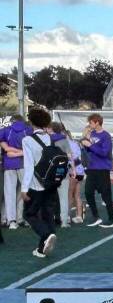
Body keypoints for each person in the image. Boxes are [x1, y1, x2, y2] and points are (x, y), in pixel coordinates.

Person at [19, 108, 60, 258]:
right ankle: (42, 249)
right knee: (47, 214)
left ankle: (47, 233)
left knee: (29, 214)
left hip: (36, 185)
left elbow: (29, 166)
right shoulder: (50, 138)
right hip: (50, 184)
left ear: (31, 122)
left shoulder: (27, 140)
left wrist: (24, 188)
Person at [80, 114, 113, 229]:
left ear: (97, 122)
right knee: (88, 192)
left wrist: (90, 144)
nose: (89, 125)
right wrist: (84, 140)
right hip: (91, 168)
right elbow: (86, 150)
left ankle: (111, 220)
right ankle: (96, 217)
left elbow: (104, 153)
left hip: (102, 169)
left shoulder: (106, 136)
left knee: (106, 195)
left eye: (90, 123)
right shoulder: (91, 134)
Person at [1, 114, 31, 228]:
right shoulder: (28, 130)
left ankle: (11, 221)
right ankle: (23, 218)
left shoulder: (5, 130)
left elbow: (6, 148)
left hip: (9, 163)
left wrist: (11, 151)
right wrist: (21, 151)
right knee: (25, 191)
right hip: (24, 163)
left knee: (9, 193)